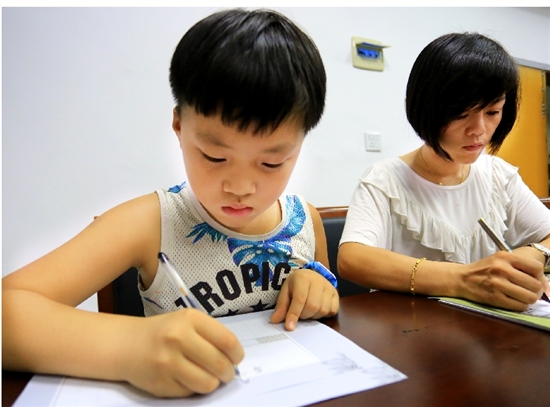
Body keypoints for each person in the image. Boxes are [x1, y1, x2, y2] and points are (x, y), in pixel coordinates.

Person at [2, 8, 339, 398]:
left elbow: (325, 300)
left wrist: (318, 287)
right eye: (214, 156)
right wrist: (127, 345)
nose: (241, 187)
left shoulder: (304, 220)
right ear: (179, 127)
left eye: (272, 163)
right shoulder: (150, 222)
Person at [338, 32, 550, 312]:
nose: (479, 130)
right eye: (462, 114)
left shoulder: (498, 175)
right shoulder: (385, 180)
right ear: (427, 109)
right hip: (411, 328)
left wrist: (533, 255)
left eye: (492, 112)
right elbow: (352, 259)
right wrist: (463, 279)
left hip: (489, 331)